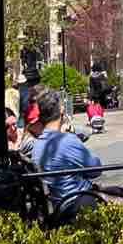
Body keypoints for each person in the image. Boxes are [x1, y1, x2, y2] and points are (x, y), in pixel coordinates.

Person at [29, 87, 103, 217]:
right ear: (61, 110)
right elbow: (96, 169)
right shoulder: (66, 141)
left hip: (57, 203)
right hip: (76, 203)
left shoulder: (37, 144)